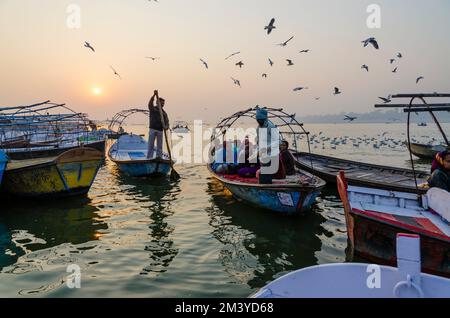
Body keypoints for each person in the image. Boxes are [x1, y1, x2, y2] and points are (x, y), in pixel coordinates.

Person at [255, 108, 279, 184]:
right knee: (263, 172)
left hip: (271, 153)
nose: (259, 121)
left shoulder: (271, 127)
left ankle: (267, 185)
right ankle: (264, 184)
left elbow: (278, 141)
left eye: (261, 120)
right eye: (258, 120)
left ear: (265, 118)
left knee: (266, 173)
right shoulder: (258, 128)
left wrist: (267, 148)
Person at [147, 90, 169, 159]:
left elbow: (167, 122)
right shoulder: (153, 109)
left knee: (159, 146)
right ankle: (149, 158)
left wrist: (166, 127)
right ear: (157, 103)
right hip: (152, 129)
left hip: (160, 130)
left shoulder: (164, 113)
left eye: (163, 104)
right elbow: (150, 104)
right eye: (161, 103)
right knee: (151, 145)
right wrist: (154, 95)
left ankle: (159, 157)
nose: (162, 105)